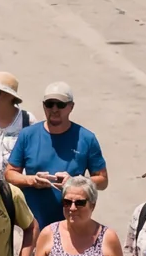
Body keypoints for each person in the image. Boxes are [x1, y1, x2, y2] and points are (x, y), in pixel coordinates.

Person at [6, 81, 108, 229]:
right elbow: (9, 173)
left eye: (60, 105)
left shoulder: (86, 138)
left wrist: (74, 183)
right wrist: (32, 180)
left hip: (72, 225)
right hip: (32, 226)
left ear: (71, 107)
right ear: (43, 106)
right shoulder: (28, 135)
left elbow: (102, 180)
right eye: (50, 104)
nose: (54, 109)